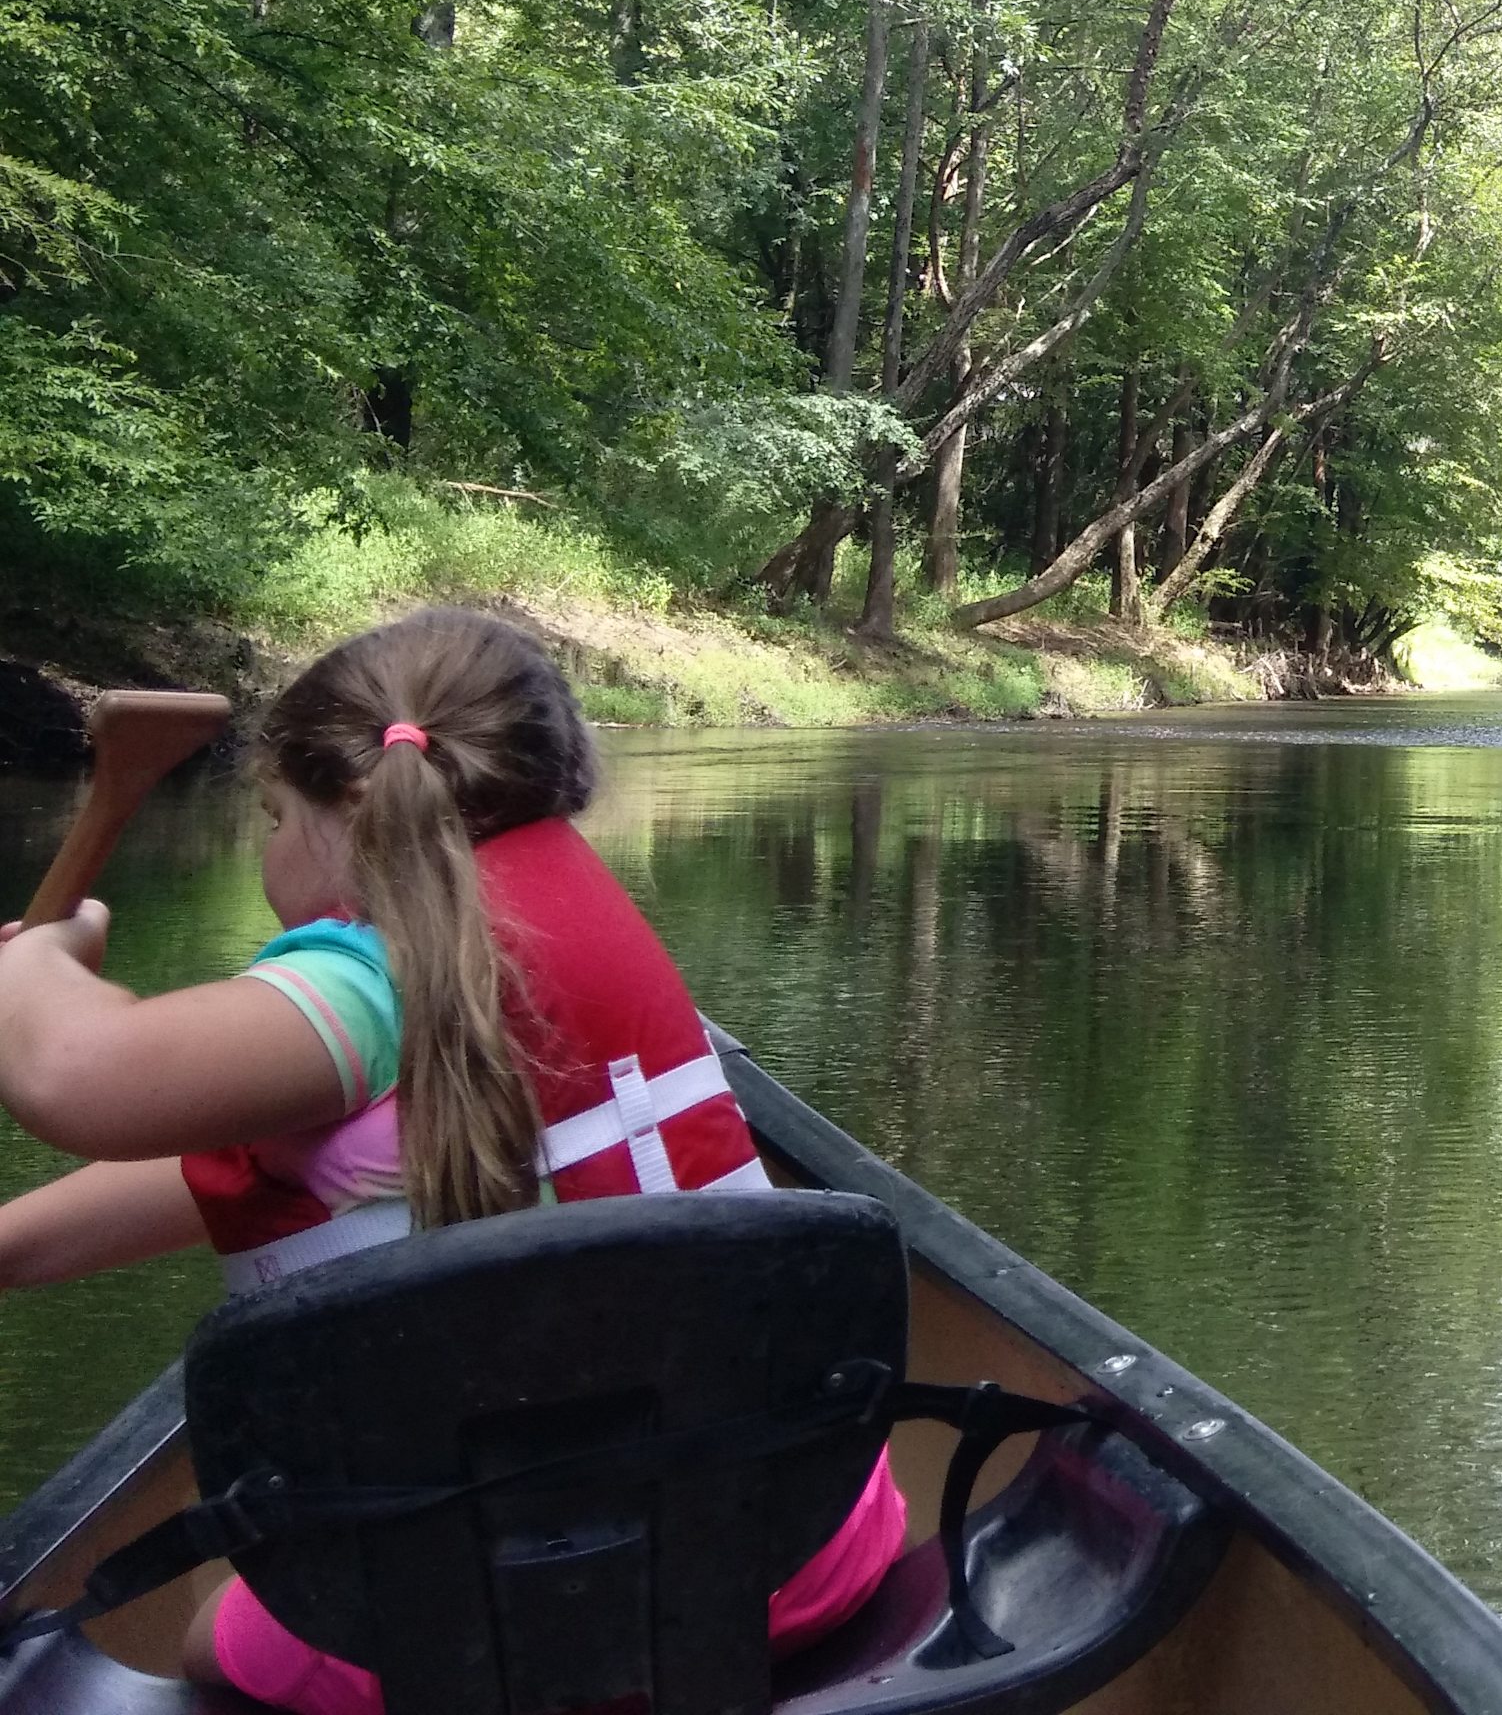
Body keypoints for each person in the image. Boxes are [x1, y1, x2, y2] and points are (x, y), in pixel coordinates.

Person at [0, 610, 903, 1712]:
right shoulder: (536, 932)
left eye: (274, 817)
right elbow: (256, 1174)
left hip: (476, 1636)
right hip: (789, 1553)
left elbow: (76, 1078)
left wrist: (37, 977)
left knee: (214, 1635)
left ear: (351, 818)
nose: (271, 853)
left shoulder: (366, 984)